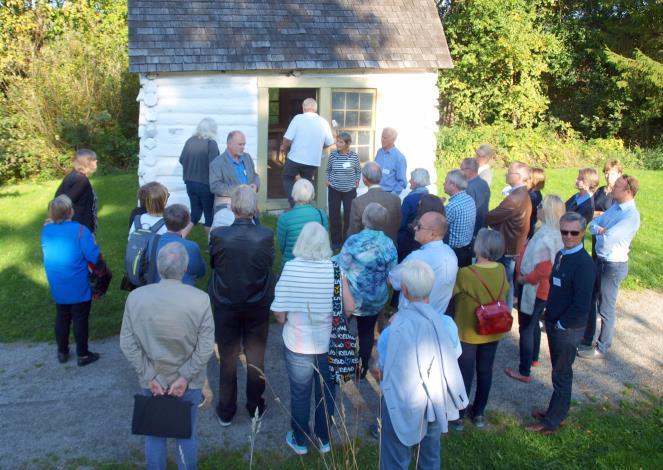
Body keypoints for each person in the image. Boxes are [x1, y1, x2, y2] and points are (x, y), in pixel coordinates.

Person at [120, 242, 215, 469]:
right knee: (186, 433)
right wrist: (184, 377)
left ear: (159, 267)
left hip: (154, 381)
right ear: (184, 268)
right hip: (188, 383)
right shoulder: (200, 299)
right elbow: (206, 346)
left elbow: (127, 342)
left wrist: (150, 376)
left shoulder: (136, 298)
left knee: (154, 433)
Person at [374, 260, 468, 469]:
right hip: (436, 400)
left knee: (395, 458)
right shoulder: (447, 325)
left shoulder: (392, 331)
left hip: (402, 403)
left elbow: (381, 369)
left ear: (405, 291)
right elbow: (453, 357)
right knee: (430, 455)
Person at [271, 222, 355, 455]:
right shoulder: (336, 270)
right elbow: (350, 306)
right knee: (326, 392)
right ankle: (324, 438)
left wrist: (285, 319)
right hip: (328, 343)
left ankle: (299, 440)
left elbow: (279, 313)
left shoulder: (290, 268)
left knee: (299, 394)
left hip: (297, 342)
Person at [208, 185, 274, 425]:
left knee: (228, 357)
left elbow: (215, 263)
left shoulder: (220, 235)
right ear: (254, 209)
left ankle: (227, 410)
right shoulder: (264, 235)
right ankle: (254, 406)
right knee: (255, 356)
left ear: (234, 207)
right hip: (255, 302)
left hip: (228, 302)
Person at [527, 212, 595, 434]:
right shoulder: (561, 255)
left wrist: (562, 325)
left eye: (573, 233)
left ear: (582, 233)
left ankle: (552, 422)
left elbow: (582, 305)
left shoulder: (584, 265)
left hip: (567, 329)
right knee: (560, 371)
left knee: (561, 374)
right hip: (556, 323)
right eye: (564, 231)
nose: (568, 236)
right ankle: (556, 412)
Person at [450, 228, 508, 430]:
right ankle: (479, 413)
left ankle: (458, 415)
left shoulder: (467, 273)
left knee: (464, 373)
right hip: (493, 329)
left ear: (480, 246)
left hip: (469, 330)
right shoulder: (501, 269)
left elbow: (452, 293)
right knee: (485, 371)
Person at [579, 175, 641, 359]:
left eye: (618, 186)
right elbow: (594, 225)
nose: (612, 187)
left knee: (606, 307)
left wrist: (601, 233)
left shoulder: (630, 216)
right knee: (591, 299)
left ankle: (602, 347)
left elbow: (609, 240)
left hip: (613, 265)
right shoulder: (615, 206)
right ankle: (586, 338)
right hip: (601, 260)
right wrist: (601, 231)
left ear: (628, 192)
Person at [505, 195, 565, 383]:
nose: (537, 208)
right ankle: (533, 358)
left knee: (527, 327)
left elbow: (544, 268)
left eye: (540, 206)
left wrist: (524, 278)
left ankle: (524, 371)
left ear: (547, 211)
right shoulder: (554, 232)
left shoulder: (546, 236)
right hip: (543, 288)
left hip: (535, 287)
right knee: (533, 323)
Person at [336, 203, 398, 378]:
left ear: (364, 219)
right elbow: (392, 274)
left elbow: (341, 267)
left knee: (343, 330)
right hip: (375, 298)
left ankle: (342, 365)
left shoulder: (353, 241)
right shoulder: (389, 244)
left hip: (351, 296)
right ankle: (361, 370)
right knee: (366, 333)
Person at [41, 195, 101, 366]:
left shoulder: (46, 230)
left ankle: (62, 351)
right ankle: (82, 354)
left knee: (62, 315)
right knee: (80, 317)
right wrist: (94, 243)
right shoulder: (80, 230)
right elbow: (93, 255)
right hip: (78, 282)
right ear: (70, 212)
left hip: (57, 281)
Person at [390, 212, 459, 323]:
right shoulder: (451, 254)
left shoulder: (417, 257)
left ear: (432, 234)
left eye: (420, 226)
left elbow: (393, 280)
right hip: (437, 318)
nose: (415, 228)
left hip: (411, 321)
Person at [485, 162, 532, 310]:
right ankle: (506, 311)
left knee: (503, 281)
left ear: (517, 177)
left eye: (509, 172)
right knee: (507, 281)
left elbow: (492, 216)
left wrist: (483, 216)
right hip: (513, 244)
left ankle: (502, 312)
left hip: (507, 245)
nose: (506, 173)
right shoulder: (520, 194)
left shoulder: (515, 198)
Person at [281, 98, 334, 206]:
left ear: (303, 108)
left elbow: (287, 139)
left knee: (287, 177)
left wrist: (284, 147)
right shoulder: (323, 121)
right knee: (306, 184)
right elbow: (330, 142)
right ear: (315, 109)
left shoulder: (298, 118)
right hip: (312, 160)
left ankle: (294, 203)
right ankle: (305, 205)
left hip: (295, 158)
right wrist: (319, 147)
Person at [277, 178, 329, 269]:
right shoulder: (321, 214)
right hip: (317, 265)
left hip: (290, 265)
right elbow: (325, 240)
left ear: (293, 194)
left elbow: (282, 246)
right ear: (312, 194)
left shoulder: (284, 218)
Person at [179, 117, 220, 233]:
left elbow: (181, 159)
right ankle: (212, 247)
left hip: (190, 184)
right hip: (205, 185)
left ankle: (180, 237)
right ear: (212, 129)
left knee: (195, 214)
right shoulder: (211, 143)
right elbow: (214, 166)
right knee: (209, 216)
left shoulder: (189, 141)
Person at [347, 162, 401, 246]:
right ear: (381, 177)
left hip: (366, 253)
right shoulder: (396, 200)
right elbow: (398, 225)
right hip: (391, 249)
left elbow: (353, 232)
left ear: (364, 179)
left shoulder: (357, 202)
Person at [153, 204, 205, 286]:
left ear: (164, 220)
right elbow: (200, 271)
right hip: (183, 288)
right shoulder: (191, 247)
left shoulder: (152, 240)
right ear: (187, 223)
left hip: (156, 284)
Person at [326, 131, 361, 249]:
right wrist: (328, 180)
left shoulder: (354, 156)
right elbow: (328, 170)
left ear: (347, 144)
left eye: (341, 142)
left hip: (349, 191)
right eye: (337, 141)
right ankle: (335, 241)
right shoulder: (333, 155)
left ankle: (347, 241)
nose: (337, 143)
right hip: (334, 189)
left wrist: (357, 181)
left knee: (348, 216)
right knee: (334, 216)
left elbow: (358, 171)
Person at [209, 130, 260, 207]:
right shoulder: (217, 163)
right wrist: (239, 190)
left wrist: (256, 185)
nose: (243, 147)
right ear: (229, 144)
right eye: (240, 144)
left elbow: (255, 175)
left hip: (250, 205)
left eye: (244, 144)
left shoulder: (247, 157)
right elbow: (215, 186)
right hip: (230, 207)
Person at [55, 149, 99, 234]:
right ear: (88, 163)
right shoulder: (81, 180)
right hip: (80, 227)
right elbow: (63, 202)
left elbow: (59, 198)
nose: (96, 162)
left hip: (75, 226)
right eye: (94, 160)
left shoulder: (72, 176)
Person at [443, 169, 476, 267]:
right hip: (468, 248)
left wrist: (438, 206)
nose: (443, 184)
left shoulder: (452, 206)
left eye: (445, 182)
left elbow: (439, 226)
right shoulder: (469, 199)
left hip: (454, 252)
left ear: (453, 185)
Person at [396, 168, 430, 261]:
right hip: (420, 237)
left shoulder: (410, 199)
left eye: (412, 178)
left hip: (407, 239)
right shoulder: (426, 193)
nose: (409, 181)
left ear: (417, 181)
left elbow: (402, 222)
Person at [461, 157, 490, 238]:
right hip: (483, 224)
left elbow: (466, 212)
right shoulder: (484, 183)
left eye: (462, 169)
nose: (460, 172)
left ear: (469, 170)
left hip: (473, 229)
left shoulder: (468, 187)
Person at [374, 127, 407, 196]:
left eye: (385, 138)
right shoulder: (379, 152)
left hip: (389, 194)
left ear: (393, 140)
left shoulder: (399, 158)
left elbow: (402, 182)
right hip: (375, 191)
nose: (382, 140)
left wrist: (392, 196)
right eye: (382, 137)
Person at [527, 168, 545, 239]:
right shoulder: (533, 193)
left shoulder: (534, 196)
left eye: (529, 178)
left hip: (531, 224)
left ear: (534, 181)